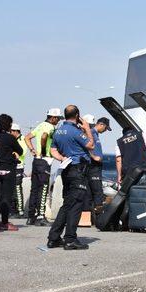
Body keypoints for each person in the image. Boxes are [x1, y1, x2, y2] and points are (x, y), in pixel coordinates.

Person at [47, 105, 95, 250]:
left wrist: (61, 158)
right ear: (77, 115)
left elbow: (52, 149)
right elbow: (91, 145)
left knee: (67, 204)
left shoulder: (59, 130)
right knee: (76, 205)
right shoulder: (75, 131)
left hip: (66, 169)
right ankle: (70, 239)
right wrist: (86, 128)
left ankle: (54, 238)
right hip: (78, 170)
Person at [25, 108, 62, 226]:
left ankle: (31, 217)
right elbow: (44, 136)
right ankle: (41, 216)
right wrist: (44, 151)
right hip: (45, 161)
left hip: (36, 161)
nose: (58, 121)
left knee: (34, 189)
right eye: (58, 118)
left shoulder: (40, 125)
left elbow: (27, 137)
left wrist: (33, 150)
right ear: (53, 118)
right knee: (44, 188)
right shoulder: (50, 127)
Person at [0, 114, 23, 231]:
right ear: (8, 125)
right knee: (7, 197)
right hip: (8, 169)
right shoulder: (10, 138)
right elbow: (19, 150)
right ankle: (5, 222)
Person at [84, 116, 109, 214]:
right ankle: (98, 217)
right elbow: (86, 146)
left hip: (95, 166)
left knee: (91, 193)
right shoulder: (91, 133)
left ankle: (90, 216)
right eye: (106, 128)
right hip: (93, 166)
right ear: (101, 124)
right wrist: (94, 156)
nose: (105, 130)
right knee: (97, 192)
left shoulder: (95, 134)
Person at [9, 123, 27, 218]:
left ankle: (20, 210)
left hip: (19, 166)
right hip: (12, 167)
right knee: (11, 189)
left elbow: (22, 152)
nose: (10, 133)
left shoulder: (22, 139)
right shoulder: (13, 140)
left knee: (17, 188)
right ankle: (13, 210)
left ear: (16, 131)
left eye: (11, 131)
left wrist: (13, 152)